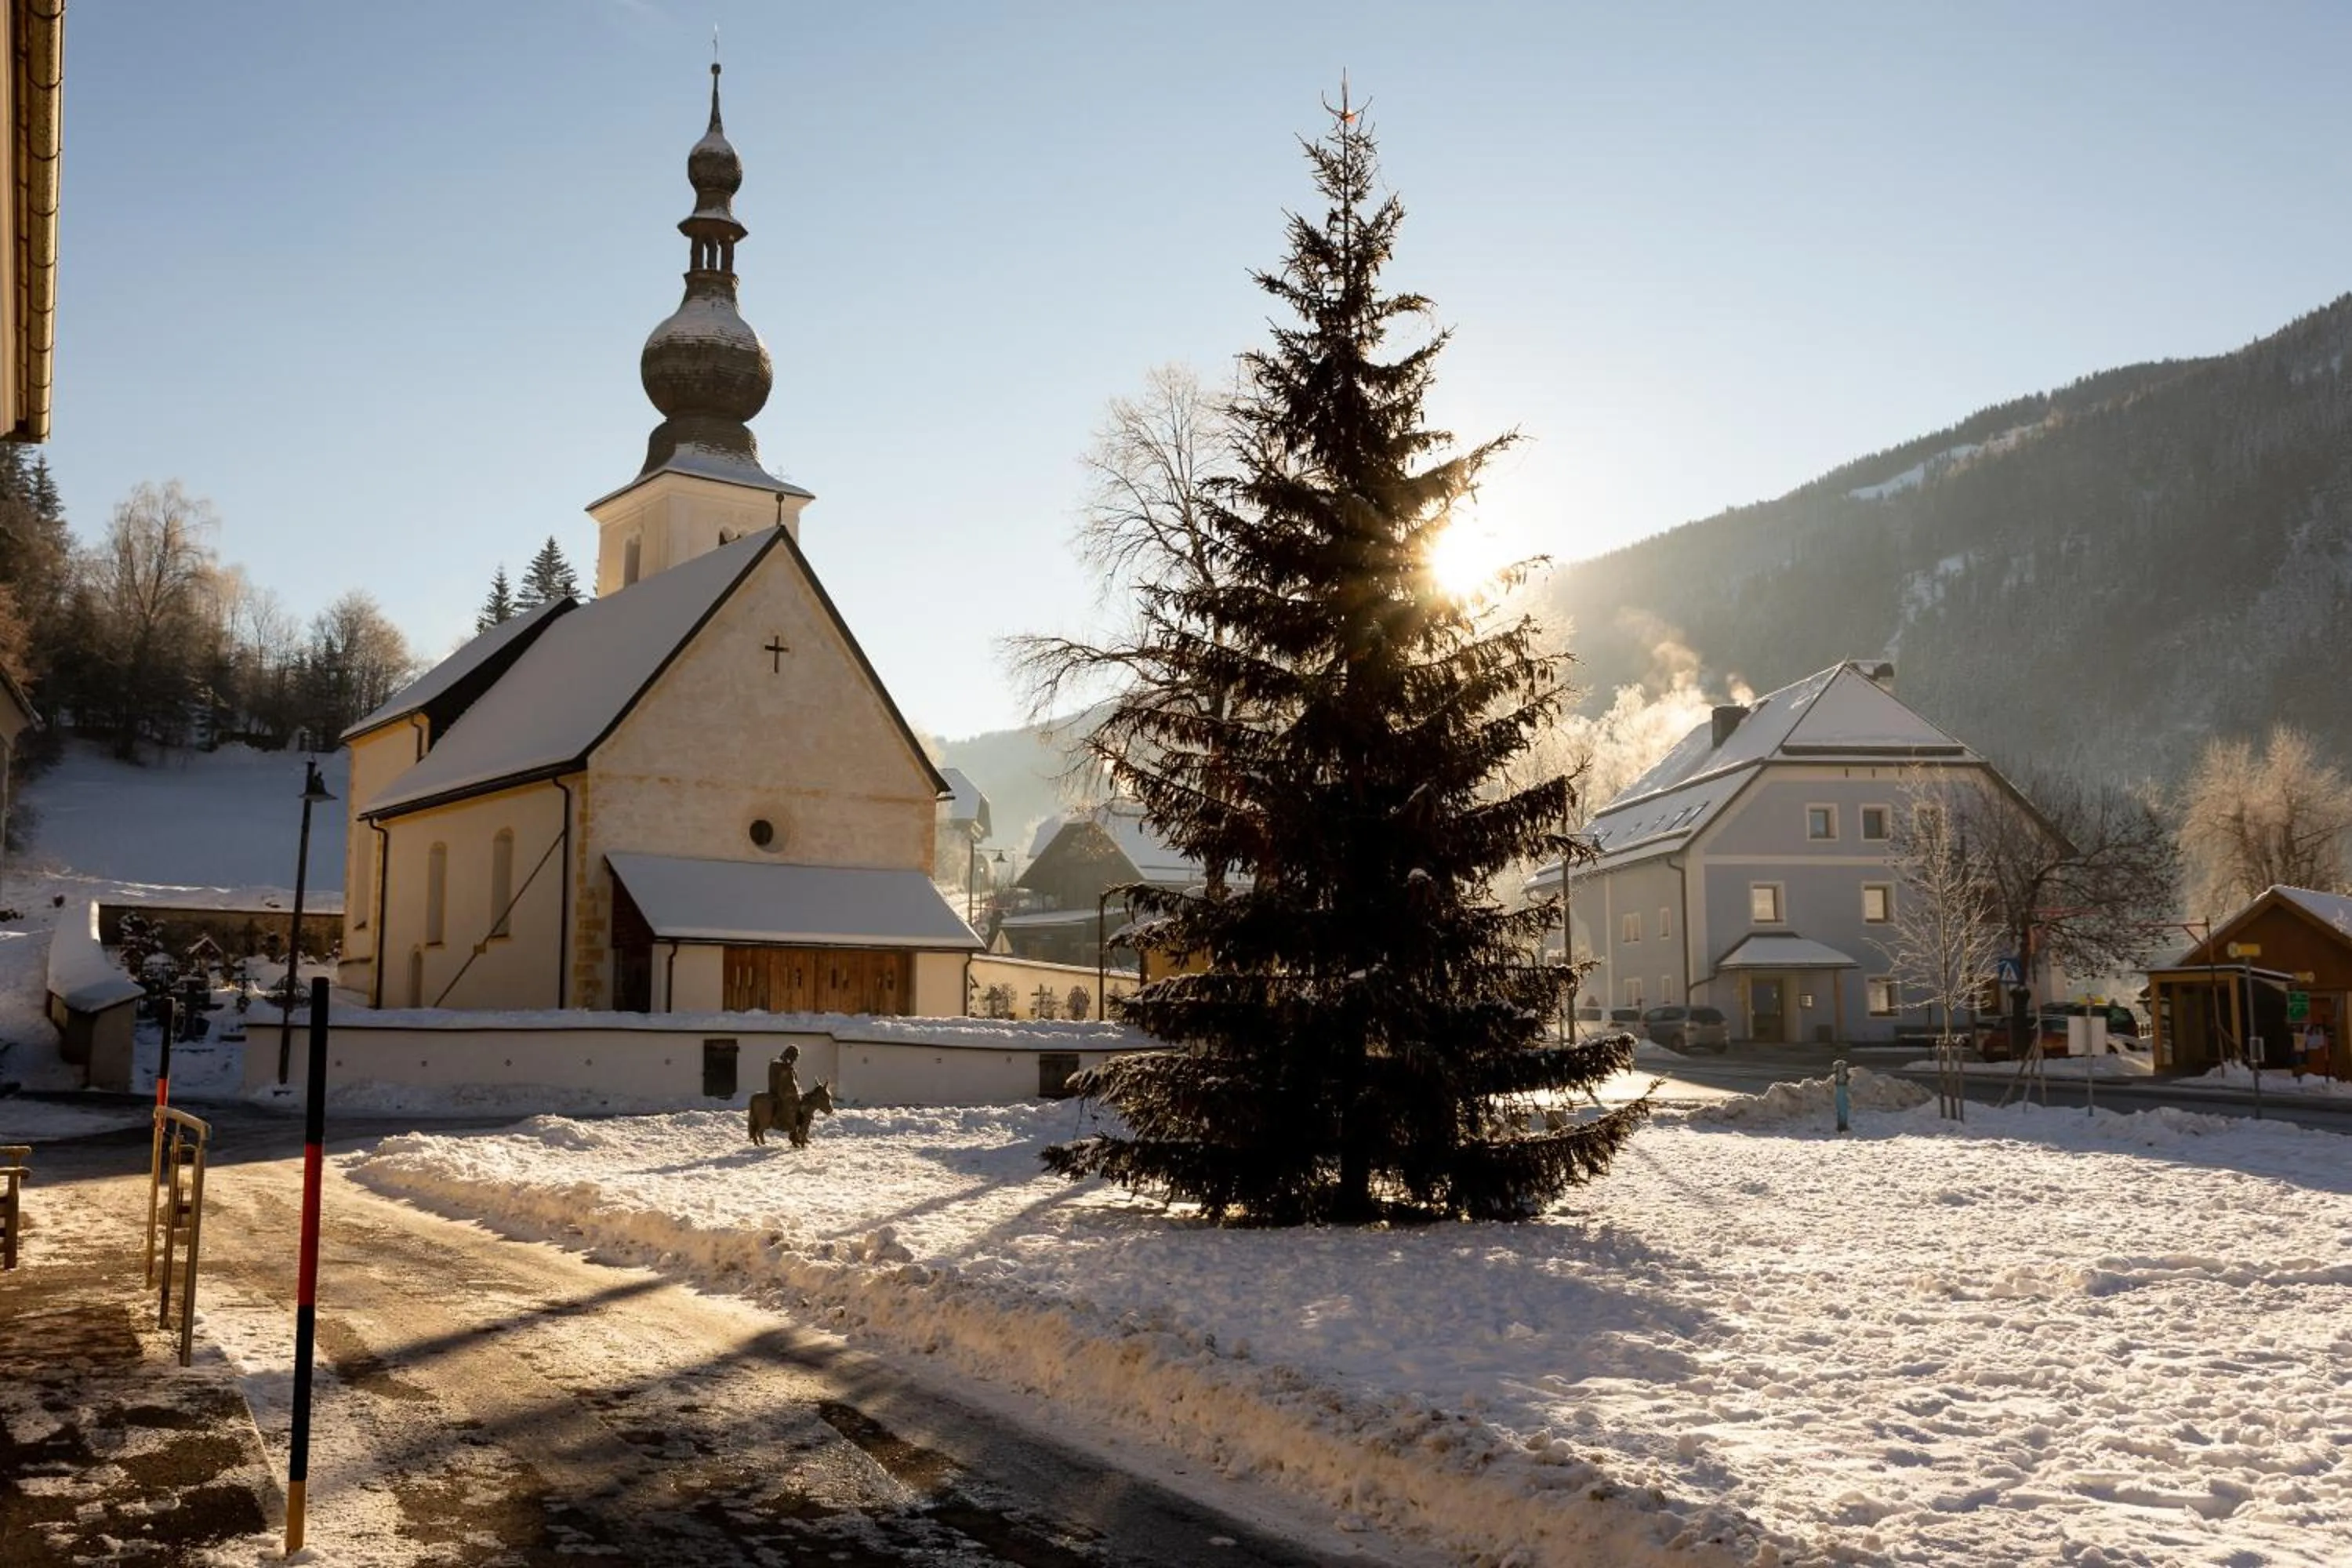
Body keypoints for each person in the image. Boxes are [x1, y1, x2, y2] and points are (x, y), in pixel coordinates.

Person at [768, 1044, 803, 1134]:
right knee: (794, 1108)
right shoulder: (781, 1066)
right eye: (794, 1057)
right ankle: (791, 1128)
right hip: (781, 1092)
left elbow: (792, 1083)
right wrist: (793, 1093)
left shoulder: (785, 1066)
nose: (795, 1060)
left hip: (784, 1091)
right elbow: (786, 1083)